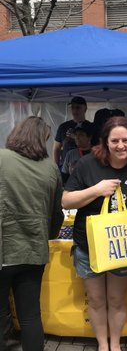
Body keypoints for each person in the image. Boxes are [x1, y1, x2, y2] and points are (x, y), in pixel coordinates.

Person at [62, 116, 127, 351]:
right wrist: (96, 190)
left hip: (122, 248)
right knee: (96, 301)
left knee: (116, 300)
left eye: (125, 140)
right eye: (114, 140)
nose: (120, 146)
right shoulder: (88, 164)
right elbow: (66, 199)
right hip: (89, 247)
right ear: (105, 141)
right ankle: (102, 345)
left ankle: (115, 345)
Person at [0, 116, 64, 351]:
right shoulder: (50, 168)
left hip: (4, 249)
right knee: (30, 316)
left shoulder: (2, 157)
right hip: (34, 251)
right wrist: (46, 234)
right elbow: (56, 214)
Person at [52, 96, 93, 168]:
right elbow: (56, 148)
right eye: (72, 107)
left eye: (78, 107)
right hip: (66, 168)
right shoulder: (63, 127)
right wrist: (55, 167)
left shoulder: (91, 126)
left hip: (87, 167)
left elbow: (95, 147)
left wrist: (76, 137)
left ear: (85, 109)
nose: (75, 110)